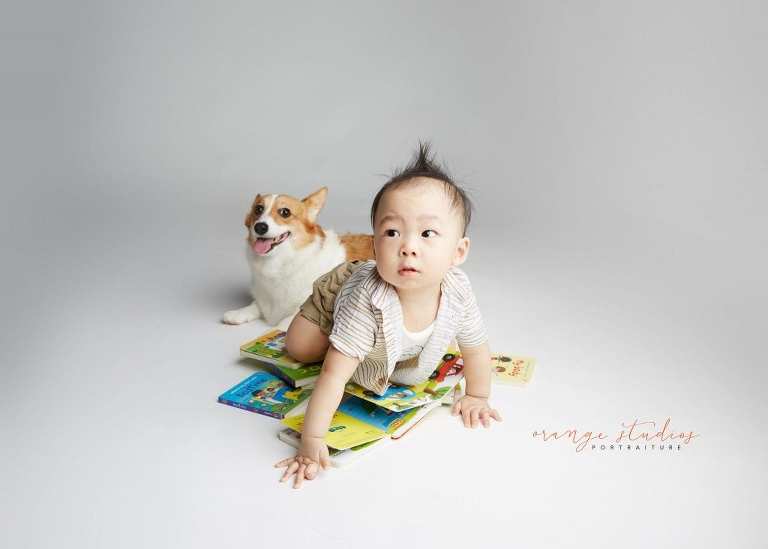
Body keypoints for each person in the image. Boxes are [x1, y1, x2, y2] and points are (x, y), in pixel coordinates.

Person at [274, 142, 502, 487]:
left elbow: (476, 347)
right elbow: (335, 377)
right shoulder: (368, 299)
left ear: (458, 251)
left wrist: (477, 395)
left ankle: (353, 341)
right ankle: (327, 322)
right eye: (392, 232)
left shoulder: (457, 291)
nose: (407, 246)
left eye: (428, 234)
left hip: (382, 330)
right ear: (375, 242)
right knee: (302, 349)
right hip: (340, 293)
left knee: (369, 348)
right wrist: (311, 443)